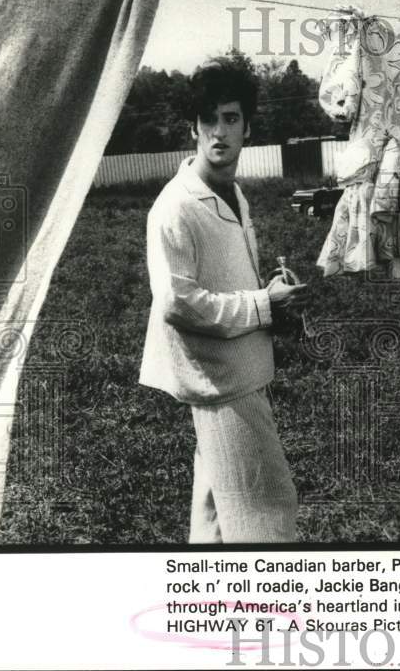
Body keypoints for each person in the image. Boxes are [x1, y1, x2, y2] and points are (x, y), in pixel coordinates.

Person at [139, 57, 308, 543]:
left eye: (230, 119)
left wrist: (276, 299)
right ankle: (264, 616)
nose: (219, 132)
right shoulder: (175, 207)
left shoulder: (235, 193)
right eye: (209, 120)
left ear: (247, 127)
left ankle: (208, 612)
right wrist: (263, 305)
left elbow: (232, 277)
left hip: (241, 369)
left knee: (213, 516)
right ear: (193, 128)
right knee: (265, 511)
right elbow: (178, 303)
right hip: (219, 381)